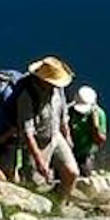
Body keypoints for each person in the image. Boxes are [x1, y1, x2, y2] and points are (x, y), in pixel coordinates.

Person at [17, 55, 80, 203]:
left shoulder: (58, 90)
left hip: (55, 135)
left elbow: (63, 113)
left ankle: (60, 202)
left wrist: (67, 135)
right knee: (35, 182)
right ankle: (40, 208)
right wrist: (39, 160)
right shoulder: (27, 97)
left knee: (72, 172)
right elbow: (28, 132)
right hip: (38, 142)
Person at [68, 84, 108, 183]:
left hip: (85, 152)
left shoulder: (99, 114)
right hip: (69, 149)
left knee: (84, 178)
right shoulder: (69, 111)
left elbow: (100, 140)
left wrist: (95, 126)